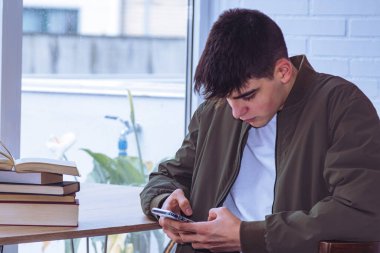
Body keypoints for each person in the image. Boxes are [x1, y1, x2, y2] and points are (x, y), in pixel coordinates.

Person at [140, 8, 380, 253]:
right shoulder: (215, 112)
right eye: (228, 98)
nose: (236, 112)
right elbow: (165, 178)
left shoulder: (341, 106)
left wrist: (248, 236)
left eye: (248, 96)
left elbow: (362, 211)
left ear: (283, 71)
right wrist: (165, 200)